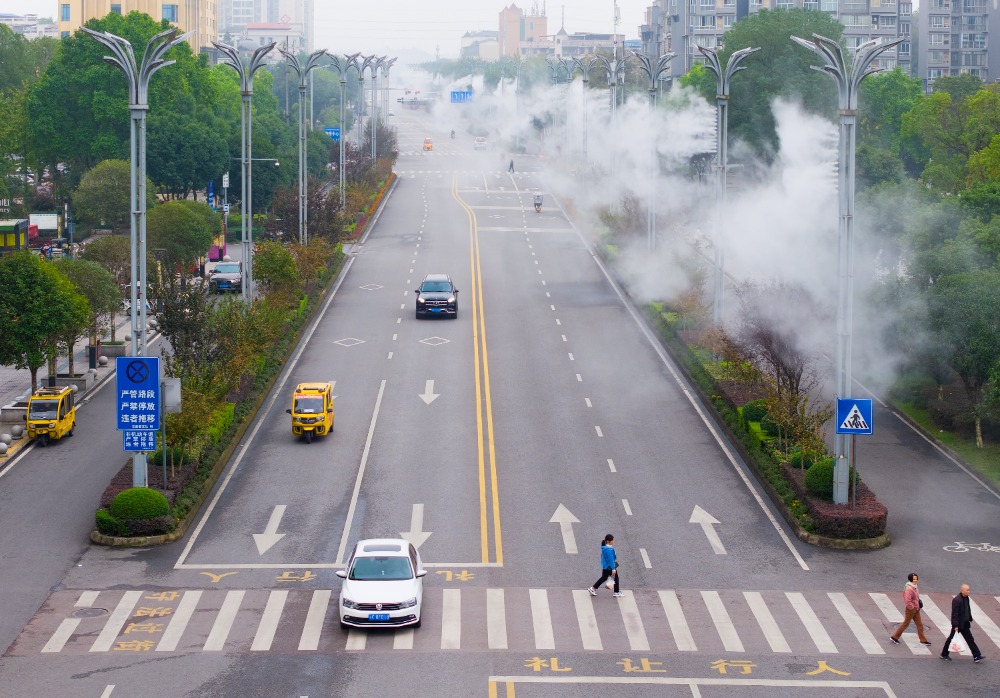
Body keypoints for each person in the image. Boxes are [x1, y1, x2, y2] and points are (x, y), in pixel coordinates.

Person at [941, 583, 984, 662]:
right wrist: (956, 625)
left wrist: (969, 618)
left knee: (970, 639)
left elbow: (967, 609)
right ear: (962, 591)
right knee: (951, 639)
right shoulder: (957, 600)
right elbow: (955, 613)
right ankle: (944, 654)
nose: (969, 591)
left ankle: (977, 656)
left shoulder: (966, 597)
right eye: (967, 590)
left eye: (969, 590)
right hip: (958, 624)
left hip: (965, 623)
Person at [889, 572, 930, 645]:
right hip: (911, 610)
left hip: (916, 609)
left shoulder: (915, 587)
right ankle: (894, 637)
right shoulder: (909, 589)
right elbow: (907, 601)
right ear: (910, 579)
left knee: (919, 624)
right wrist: (912, 608)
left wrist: (916, 607)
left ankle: (923, 640)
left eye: (916, 579)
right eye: (914, 579)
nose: (915, 580)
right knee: (905, 624)